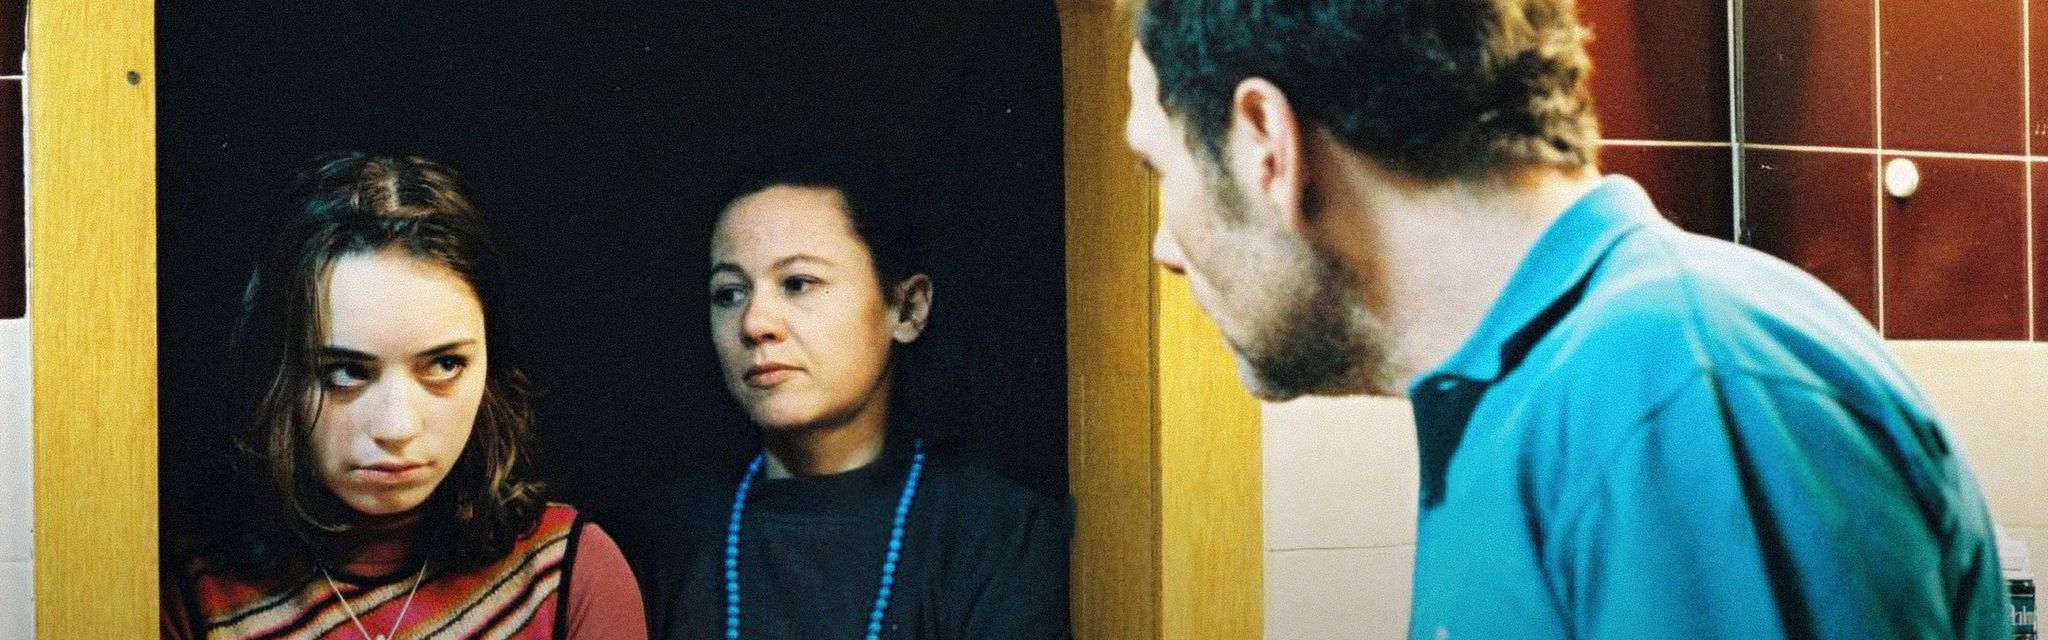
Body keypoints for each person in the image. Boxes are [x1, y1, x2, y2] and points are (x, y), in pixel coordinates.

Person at [1123, 1, 2009, 638]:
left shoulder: (1674, 392)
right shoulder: (1536, 395)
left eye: (1162, 171)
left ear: (1265, 144)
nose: (1165, 247)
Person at [161, 152, 647, 639]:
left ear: (490, 364)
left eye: (444, 364)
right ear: (276, 371)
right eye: (347, 371)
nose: (397, 429)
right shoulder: (186, 586)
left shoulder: (565, 576)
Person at [621, 148, 1071, 640]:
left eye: (798, 284)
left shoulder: (998, 534)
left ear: (907, 309)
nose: (754, 323)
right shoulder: (656, 541)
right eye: (729, 293)